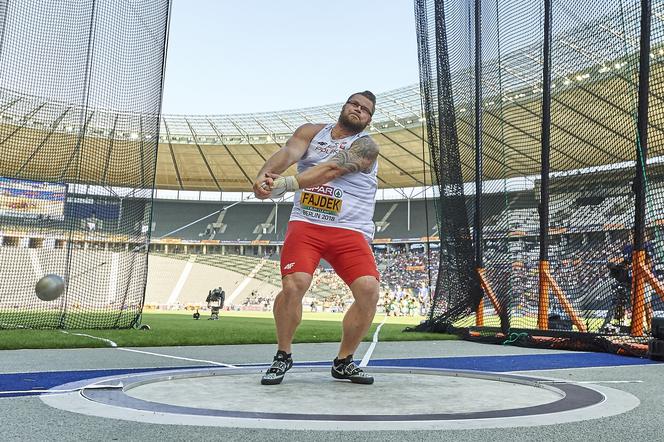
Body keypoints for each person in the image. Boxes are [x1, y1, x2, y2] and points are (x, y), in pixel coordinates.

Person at [253, 91, 380, 385]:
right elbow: (287, 154)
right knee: (295, 284)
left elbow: (331, 169)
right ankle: (283, 355)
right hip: (307, 224)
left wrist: (287, 183)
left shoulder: (366, 146)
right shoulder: (311, 132)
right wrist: (264, 177)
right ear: (345, 106)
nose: (358, 110)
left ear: (369, 120)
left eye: (365, 110)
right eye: (354, 104)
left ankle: (344, 361)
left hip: (350, 230)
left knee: (369, 290)